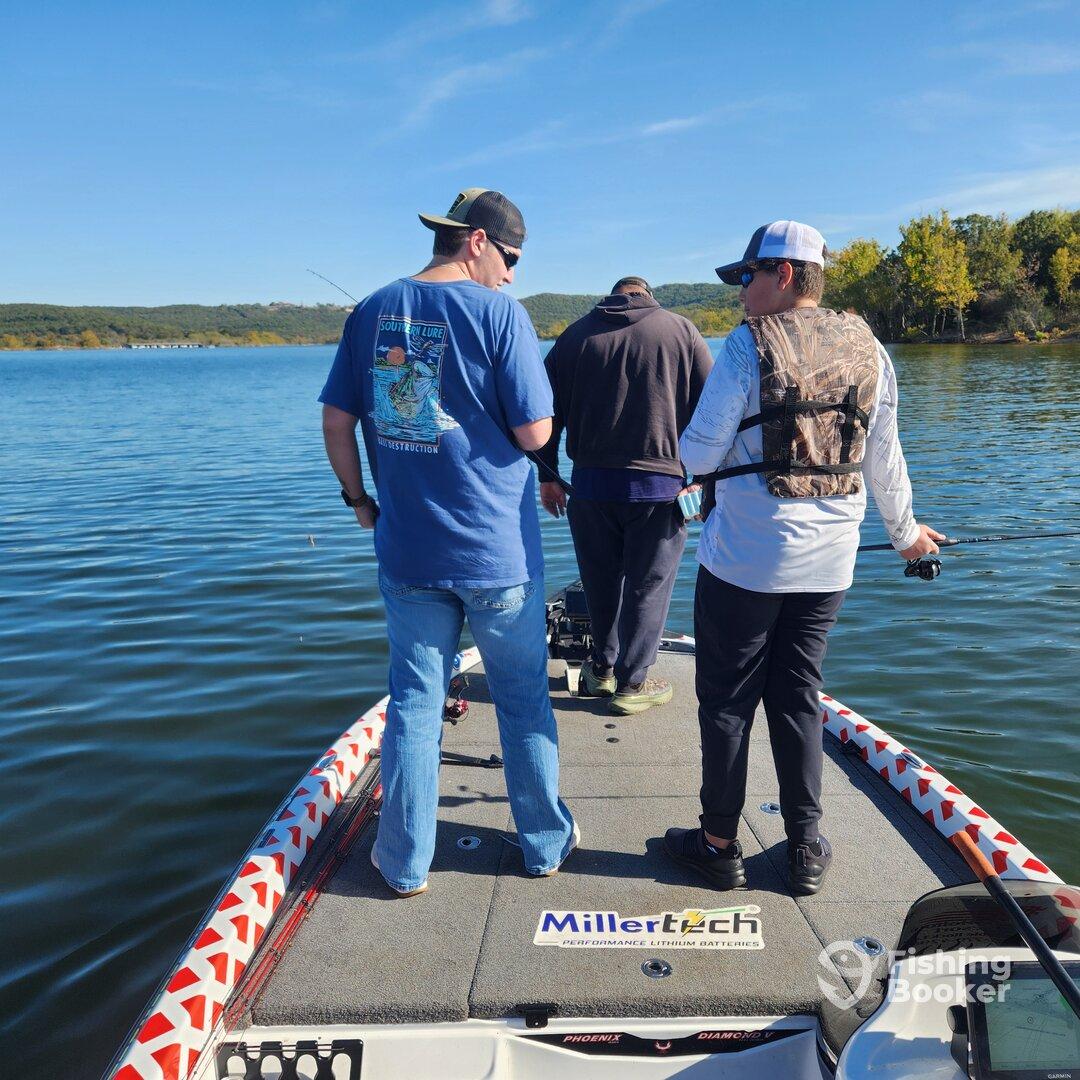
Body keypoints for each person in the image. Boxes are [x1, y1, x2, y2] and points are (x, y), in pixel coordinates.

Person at [663, 221, 943, 895]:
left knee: (727, 702)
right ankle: (805, 848)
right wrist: (906, 535)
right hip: (829, 567)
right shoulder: (870, 347)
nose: (740, 293)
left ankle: (718, 844)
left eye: (747, 278)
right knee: (798, 698)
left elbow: (697, 455)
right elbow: (885, 459)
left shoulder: (743, 346)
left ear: (783, 275)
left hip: (742, 564)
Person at [319, 188, 576, 898]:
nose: (513, 275)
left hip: (408, 553)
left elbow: (337, 424)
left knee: (413, 702)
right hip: (499, 558)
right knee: (523, 699)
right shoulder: (501, 315)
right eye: (511, 257)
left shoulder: (371, 311)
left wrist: (359, 502)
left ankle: (402, 862)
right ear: (476, 243)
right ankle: (545, 846)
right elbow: (535, 436)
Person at [536, 276, 713, 714]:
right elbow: (715, 411)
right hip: (660, 491)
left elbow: (543, 412)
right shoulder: (681, 330)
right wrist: (705, 479)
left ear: (612, 297)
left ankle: (601, 669)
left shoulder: (574, 336)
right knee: (648, 587)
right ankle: (633, 684)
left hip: (590, 489)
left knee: (600, 583)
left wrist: (548, 475)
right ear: (647, 295)